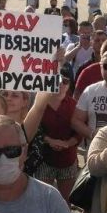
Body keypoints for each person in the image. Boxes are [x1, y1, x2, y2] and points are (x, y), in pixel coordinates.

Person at [37, 71, 80, 202]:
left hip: (68, 159)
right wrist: (49, 140)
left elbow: (80, 132)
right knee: (43, 199)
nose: (60, 84)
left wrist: (68, 143)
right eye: (56, 81)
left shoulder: (75, 105)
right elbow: (35, 129)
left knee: (65, 201)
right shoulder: (39, 103)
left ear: (69, 84)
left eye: (65, 81)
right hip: (44, 159)